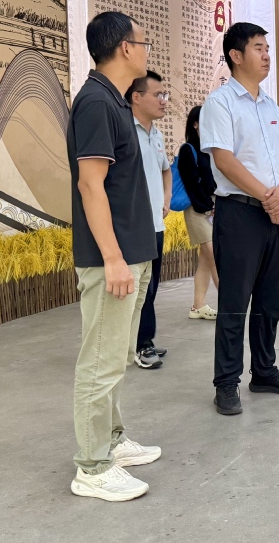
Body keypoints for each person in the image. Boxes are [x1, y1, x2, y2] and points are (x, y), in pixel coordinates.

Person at [67, 11, 161, 502]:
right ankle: (92, 466)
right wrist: (113, 258)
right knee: (100, 362)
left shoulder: (115, 102)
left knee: (117, 357)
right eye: (143, 43)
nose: (147, 51)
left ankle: (112, 439)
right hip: (113, 258)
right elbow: (91, 184)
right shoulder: (95, 103)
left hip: (132, 253)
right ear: (125, 48)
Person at [200, 22, 279, 415]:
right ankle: (226, 382)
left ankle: (264, 371)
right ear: (236, 55)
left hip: (277, 212)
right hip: (240, 213)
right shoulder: (220, 102)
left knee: (272, 298)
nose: (266, 55)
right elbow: (224, 159)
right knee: (234, 301)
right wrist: (267, 197)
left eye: (267, 48)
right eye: (258, 48)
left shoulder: (270, 105)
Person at [125, 70, 171, 369]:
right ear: (136, 97)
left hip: (156, 224)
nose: (164, 101)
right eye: (158, 95)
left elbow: (166, 169)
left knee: (151, 287)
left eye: (165, 95)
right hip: (134, 227)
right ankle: (139, 346)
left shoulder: (156, 134)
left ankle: (144, 340)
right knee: (136, 290)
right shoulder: (123, 132)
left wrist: (166, 199)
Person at [177, 106, 219, 320]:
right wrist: (207, 207)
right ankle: (231, 306)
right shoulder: (188, 149)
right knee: (214, 255)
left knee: (206, 259)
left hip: (214, 207)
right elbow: (191, 184)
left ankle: (198, 306)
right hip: (197, 208)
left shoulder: (212, 150)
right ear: (195, 124)